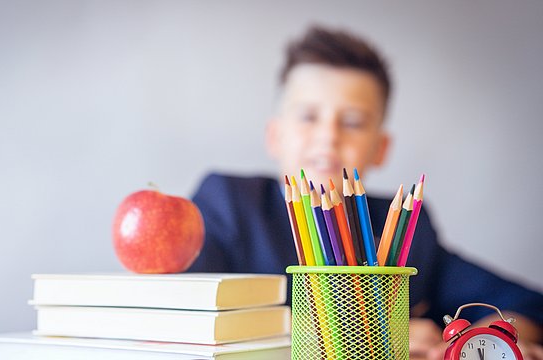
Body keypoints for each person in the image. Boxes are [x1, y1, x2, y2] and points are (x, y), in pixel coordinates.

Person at [187, 25, 543, 359]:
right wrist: (376, 337)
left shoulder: (404, 226)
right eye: (309, 116)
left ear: (381, 148)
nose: (329, 135)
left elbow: (526, 304)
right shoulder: (229, 203)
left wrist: (488, 340)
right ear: (274, 136)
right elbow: (184, 315)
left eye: (353, 122)